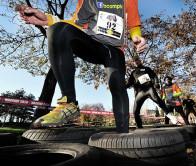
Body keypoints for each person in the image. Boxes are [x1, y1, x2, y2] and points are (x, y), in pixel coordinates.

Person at [17, 0, 147, 133]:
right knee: (58, 29)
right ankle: (69, 104)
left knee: (117, 84)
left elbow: (133, 23)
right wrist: (47, 20)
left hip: (113, 50)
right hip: (91, 44)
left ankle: (122, 133)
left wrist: (136, 37)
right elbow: (76, 22)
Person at [126, 57, 177, 128]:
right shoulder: (133, 73)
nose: (136, 62)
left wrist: (156, 83)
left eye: (137, 60)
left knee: (158, 100)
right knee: (135, 111)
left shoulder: (147, 69)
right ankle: (139, 126)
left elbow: (154, 76)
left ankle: (169, 114)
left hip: (149, 89)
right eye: (134, 61)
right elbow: (129, 83)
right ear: (133, 63)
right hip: (140, 92)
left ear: (140, 61)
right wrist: (123, 87)